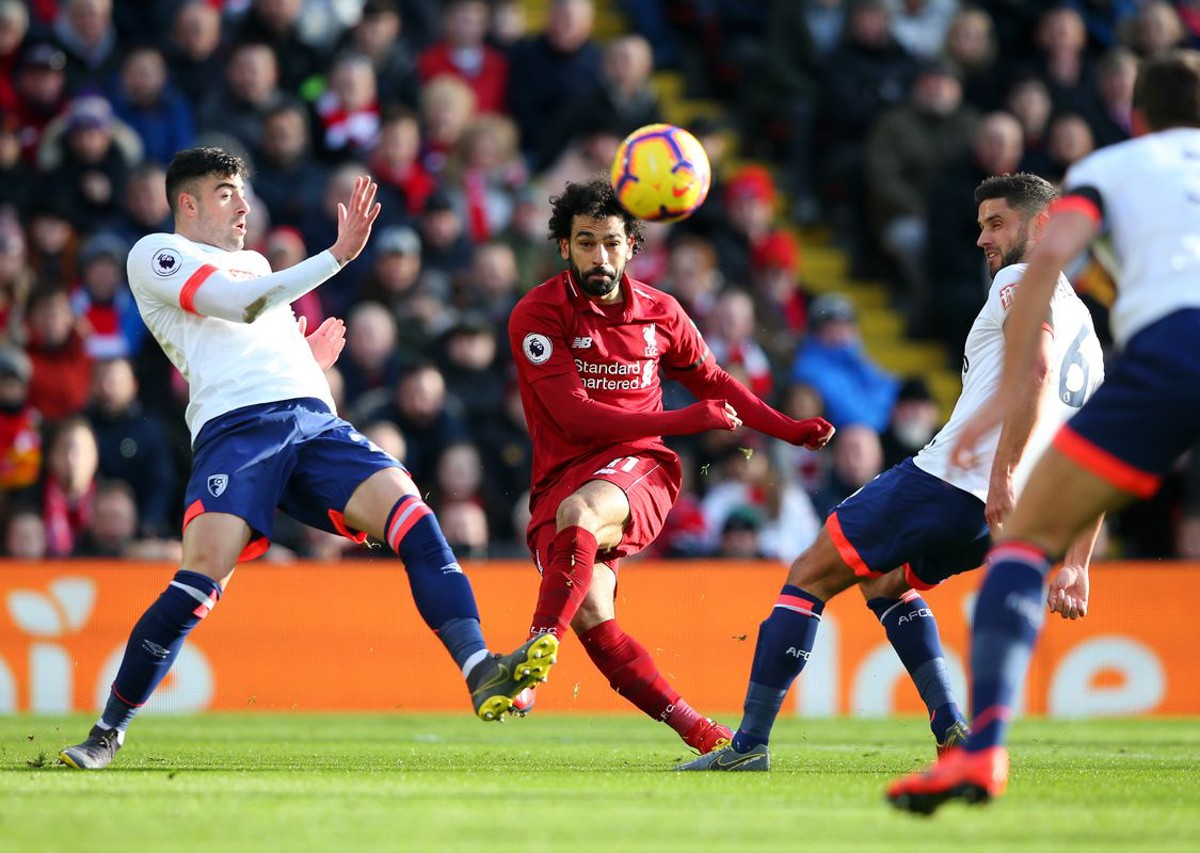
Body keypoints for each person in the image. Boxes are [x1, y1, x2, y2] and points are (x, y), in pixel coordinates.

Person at [58, 147, 558, 771]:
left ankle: (479, 666)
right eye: (224, 193)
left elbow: (256, 328)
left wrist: (305, 361)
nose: (243, 205)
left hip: (314, 420)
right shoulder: (157, 254)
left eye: (243, 193)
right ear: (186, 203)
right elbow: (237, 307)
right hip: (236, 431)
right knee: (200, 580)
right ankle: (108, 731)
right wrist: (337, 256)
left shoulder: (257, 263)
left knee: (412, 514)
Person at [678, 172, 1105, 773]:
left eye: (997, 223)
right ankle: (949, 726)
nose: (983, 238)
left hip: (956, 483)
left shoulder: (1019, 279)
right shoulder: (1086, 329)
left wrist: (1002, 474)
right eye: (980, 224)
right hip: (1005, 514)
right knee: (885, 584)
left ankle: (747, 746)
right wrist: (1078, 563)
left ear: (1042, 225)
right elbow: (1095, 448)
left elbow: (1032, 369)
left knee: (808, 575)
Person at [887, 51, 1200, 813]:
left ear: (1137, 116)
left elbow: (1052, 254)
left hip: (1173, 345)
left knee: (1024, 540)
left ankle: (981, 754)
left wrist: (995, 411)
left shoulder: (1116, 164)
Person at [506, 178, 834, 753]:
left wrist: (788, 428)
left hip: (641, 467)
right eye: (585, 243)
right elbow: (574, 416)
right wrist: (688, 420)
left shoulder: (661, 312)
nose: (599, 257)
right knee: (595, 622)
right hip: (561, 475)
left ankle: (534, 651)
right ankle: (706, 736)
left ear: (632, 245)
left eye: (610, 243)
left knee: (583, 513)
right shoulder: (537, 313)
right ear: (564, 247)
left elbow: (715, 381)